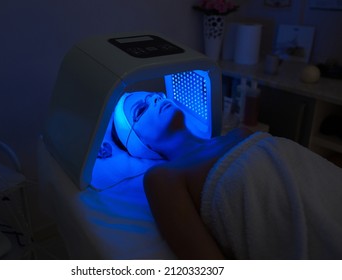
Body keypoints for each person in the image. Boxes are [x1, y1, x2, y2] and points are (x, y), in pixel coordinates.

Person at [112, 91, 342, 260]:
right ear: (138, 141)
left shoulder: (240, 133)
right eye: (140, 110)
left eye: (154, 95)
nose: (154, 100)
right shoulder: (162, 177)